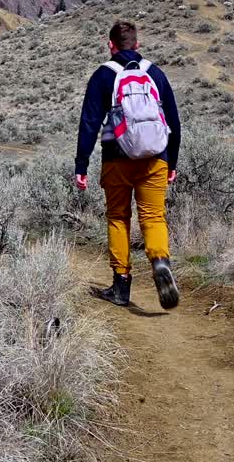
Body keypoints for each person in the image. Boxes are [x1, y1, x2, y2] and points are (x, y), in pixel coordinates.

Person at [74, 20, 182, 309]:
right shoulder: (154, 73)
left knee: (118, 218)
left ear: (110, 45)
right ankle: (160, 261)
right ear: (138, 43)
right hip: (155, 158)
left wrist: (81, 165)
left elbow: (89, 124)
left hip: (116, 158)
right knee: (154, 217)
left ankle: (121, 286)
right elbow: (173, 120)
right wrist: (172, 160)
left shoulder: (102, 76)